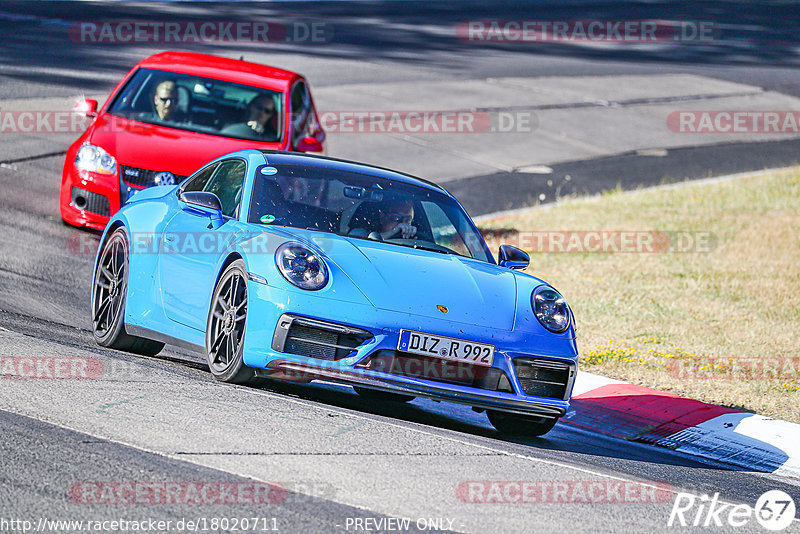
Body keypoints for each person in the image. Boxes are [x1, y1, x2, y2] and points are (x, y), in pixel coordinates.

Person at [349, 198, 417, 240]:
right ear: (382, 217)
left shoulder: (415, 242)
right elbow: (356, 245)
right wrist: (393, 232)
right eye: (396, 218)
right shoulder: (359, 233)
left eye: (408, 220)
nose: (402, 224)